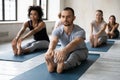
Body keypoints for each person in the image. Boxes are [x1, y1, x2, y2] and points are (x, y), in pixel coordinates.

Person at [45, 7, 88, 74]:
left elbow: (74, 43)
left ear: (74, 18)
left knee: (74, 56)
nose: (65, 19)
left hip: (80, 51)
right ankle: (54, 64)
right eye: (63, 17)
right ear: (61, 18)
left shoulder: (80, 31)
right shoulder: (57, 30)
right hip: (64, 49)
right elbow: (54, 41)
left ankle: (63, 66)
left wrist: (64, 51)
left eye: (68, 17)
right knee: (57, 54)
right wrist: (50, 49)